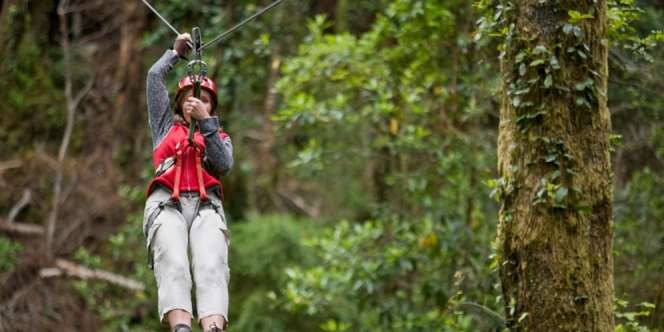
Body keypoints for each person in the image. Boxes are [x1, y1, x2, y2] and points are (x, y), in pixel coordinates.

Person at [143, 33, 233, 332]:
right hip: (168, 202)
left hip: (206, 207)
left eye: (205, 100)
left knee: (211, 264)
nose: (198, 103)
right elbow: (154, 79)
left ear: (212, 107)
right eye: (192, 100)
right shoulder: (164, 128)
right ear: (180, 104)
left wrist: (206, 123)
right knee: (173, 259)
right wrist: (174, 53)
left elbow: (223, 166)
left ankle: (212, 327)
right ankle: (181, 327)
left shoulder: (218, 137)